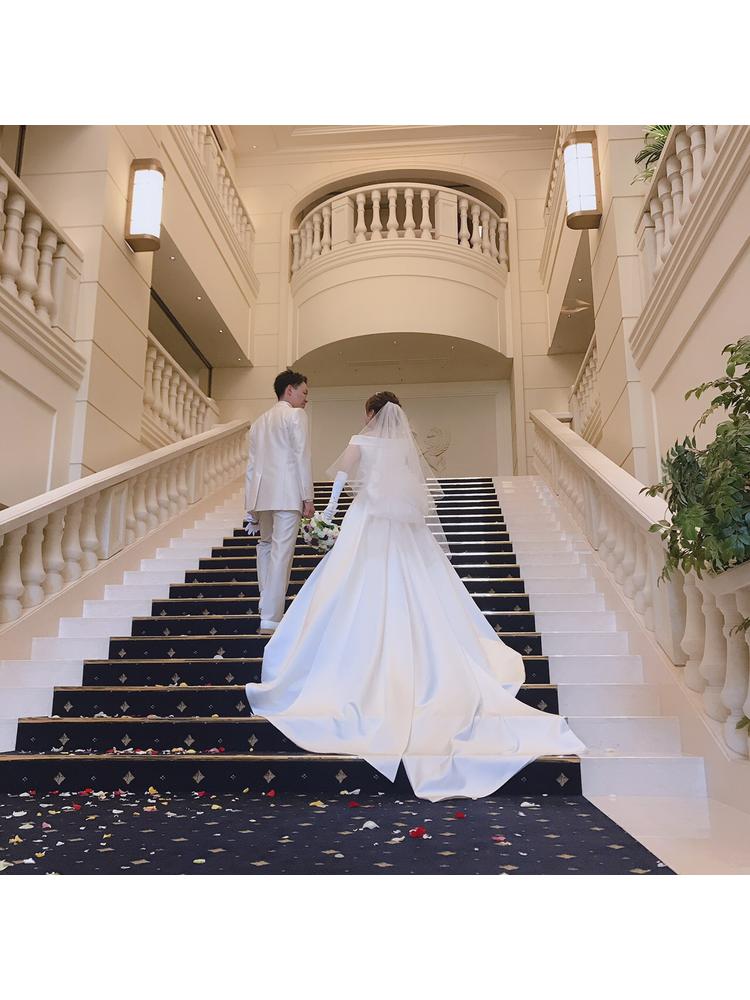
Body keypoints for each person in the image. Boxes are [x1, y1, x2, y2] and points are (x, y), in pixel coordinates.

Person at [246, 391, 584, 801]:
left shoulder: (361, 440)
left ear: (372, 413)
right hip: (404, 526)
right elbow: (414, 488)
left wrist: (328, 515)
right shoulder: (403, 448)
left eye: (367, 414)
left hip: (367, 522)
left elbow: (340, 478)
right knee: (421, 589)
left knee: (347, 589)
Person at [244, 369, 314, 634]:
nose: (306, 399)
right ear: (290, 390)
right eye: (304, 392)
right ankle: (271, 618)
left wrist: (249, 505)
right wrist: (308, 497)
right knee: (281, 553)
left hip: (262, 495)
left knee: (265, 547)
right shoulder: (296, 415)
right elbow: (301, 456)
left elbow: (251, 466)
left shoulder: (259, 422)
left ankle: (266, 602)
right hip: (287, 494)